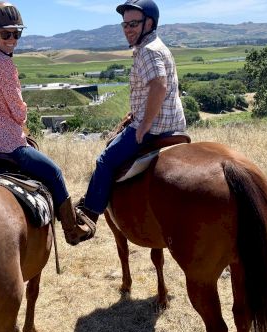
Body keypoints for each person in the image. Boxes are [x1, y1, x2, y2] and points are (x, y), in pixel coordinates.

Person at [0, 1, 94, 245]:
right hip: (6, 144)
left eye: (17, 33)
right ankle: (72, 229)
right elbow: (17, 110)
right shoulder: (4, 64)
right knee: (54, 172)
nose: (12, 39)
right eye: (6, 34)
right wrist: (22, 117)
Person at [75, 0, 186, 228]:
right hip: (174, 123)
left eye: (133, 24)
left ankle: (90, 213)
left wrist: (144, 123)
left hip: (153, 128)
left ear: (149, 23)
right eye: (124, 25)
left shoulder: (147, 51)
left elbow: (159, 85)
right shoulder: (158, 46)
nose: (128, 29)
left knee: (104, 161)